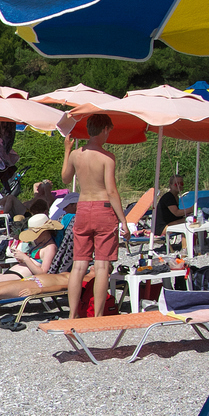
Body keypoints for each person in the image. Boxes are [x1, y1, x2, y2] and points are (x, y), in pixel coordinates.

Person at [60, 114, 125, 318]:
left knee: (79, 265)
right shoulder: (107, 157)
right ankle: (97, 315)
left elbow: (65, 179)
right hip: (102, 208)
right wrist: (123, 220)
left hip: (83, 208)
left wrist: (67, 151)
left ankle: (72, 314)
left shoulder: (76, 155)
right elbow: (112, 191)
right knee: (102, 265)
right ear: (105, 129)